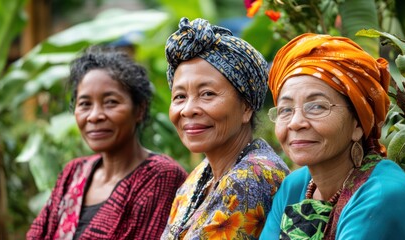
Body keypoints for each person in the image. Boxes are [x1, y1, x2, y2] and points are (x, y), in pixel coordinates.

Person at [259, 33, 405, 240]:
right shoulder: (295, 185)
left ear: (358, 122)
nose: (296, 122)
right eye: (286, 110)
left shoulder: (382, 194)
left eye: (316, 107)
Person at [26, 46, 188, 240]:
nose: (94, 116)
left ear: (139, 110)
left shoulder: (163, 177)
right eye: (85, 104)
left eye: (110, 102)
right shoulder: (73, 173)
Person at [160, 17, 290, 240]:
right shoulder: (201, 174)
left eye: (207, 94)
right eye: (180, 96)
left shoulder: (252, 178)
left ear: (246, 106)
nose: (188, 109)